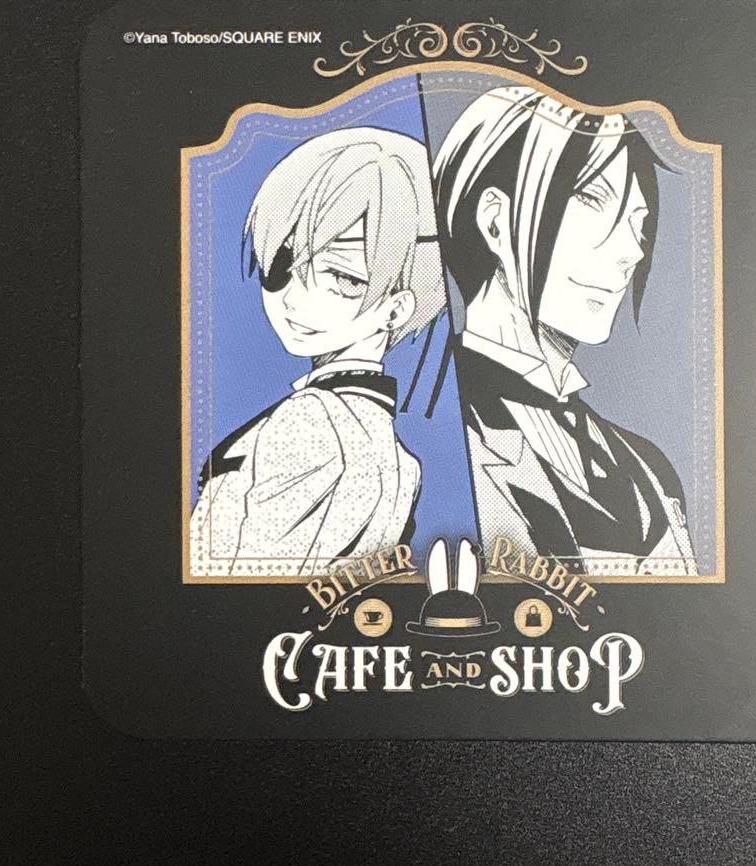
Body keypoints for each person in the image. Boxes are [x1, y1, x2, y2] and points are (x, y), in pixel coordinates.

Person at [433, 85, 697, 577]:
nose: (632, 252)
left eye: (638, 223)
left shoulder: (649, 469)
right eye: (593, 199)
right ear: (495, 221)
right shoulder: (432, 447)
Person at [190, 126, 444, 576]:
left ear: (396, 308)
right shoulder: (401, 464)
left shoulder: (309, 422)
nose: (293, 298)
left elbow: (242, 576)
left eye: (343, 278)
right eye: (283, 263)